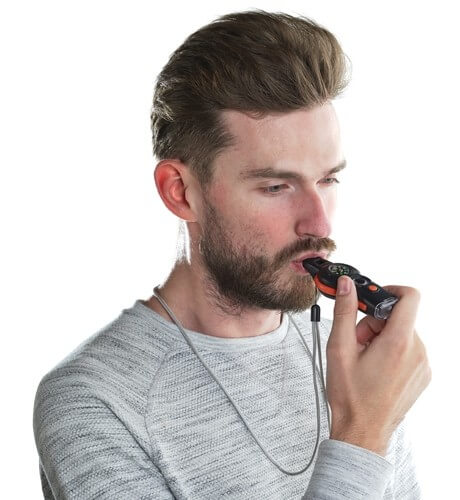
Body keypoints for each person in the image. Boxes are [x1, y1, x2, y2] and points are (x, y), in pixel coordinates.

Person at [33, 9, 431, 499]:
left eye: (328, 179)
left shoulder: (357, 364)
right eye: (276, 186)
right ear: (180, 191)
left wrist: (369, 417)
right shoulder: (95, 400)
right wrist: (361, 435)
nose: (320, 225)